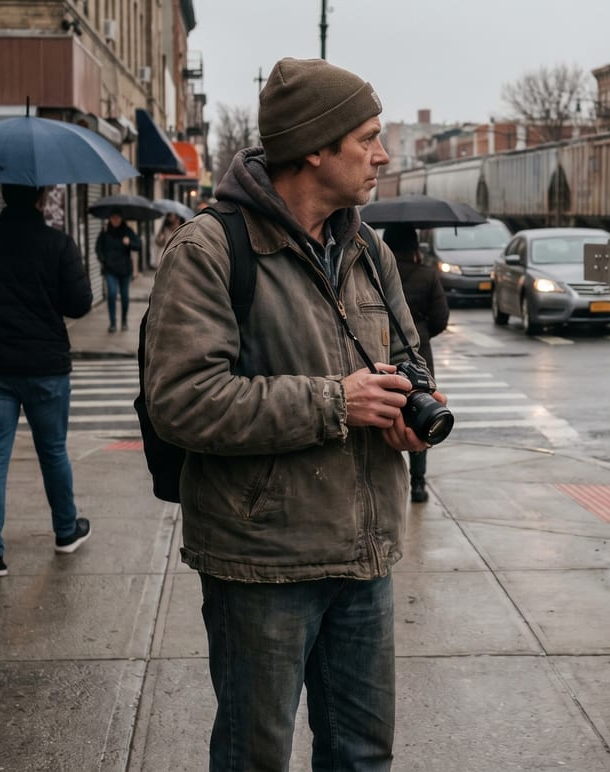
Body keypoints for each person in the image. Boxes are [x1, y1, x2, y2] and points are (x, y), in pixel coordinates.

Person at [143, 57, 445, 771]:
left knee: (362, 754)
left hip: (364, 551)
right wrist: (337, 401)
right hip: (262, 564)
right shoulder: (210, 250)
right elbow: (182, 402)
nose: (383, 154)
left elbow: (410, 357)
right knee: (256, 756)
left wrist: (409, 406)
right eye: (367, 138)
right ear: (314, 146)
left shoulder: (368, 247)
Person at [0, 184, 94, 580]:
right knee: (53, 451)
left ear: (4, 196)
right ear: (42, 198)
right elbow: (79, 303)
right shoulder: (58, 244)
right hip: (45, 366)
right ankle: (65, 530)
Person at [382, 223, 449, 503]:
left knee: (387, 416)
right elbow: (441, 318)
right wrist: (421, 334)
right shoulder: (427, 275)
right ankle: (418, 484)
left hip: (382, 355)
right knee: (421, 416)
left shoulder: (376, 273)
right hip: (419, 357)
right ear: (415, 248)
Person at [95, 209, 141, 333]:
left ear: (121, 218)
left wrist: (129, 242)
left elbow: (138, 245)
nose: (115, 220)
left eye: (118, 217)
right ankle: (113, 323)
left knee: (125, 296)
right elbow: (98, 247)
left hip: (125, 270)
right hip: (110, 270)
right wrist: (103, 259)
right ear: (109, 218)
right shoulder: (105, 231)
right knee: (112, 294)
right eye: (113, 217)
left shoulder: (127, 231)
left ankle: (124, 320)